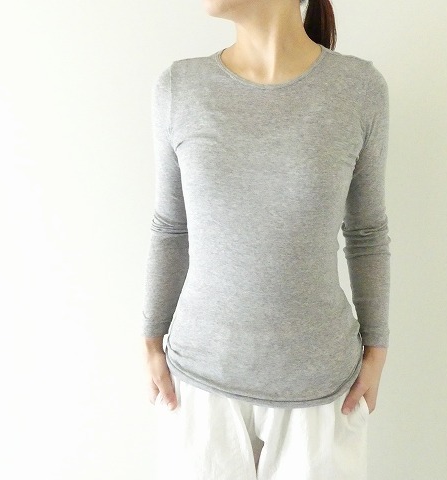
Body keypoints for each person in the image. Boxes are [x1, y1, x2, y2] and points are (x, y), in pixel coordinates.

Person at [141, 0, 391, 478]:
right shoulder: (180, 87)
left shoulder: (358, 89)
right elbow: (171, 226)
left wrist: (377, 350)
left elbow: (366, 232)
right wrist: (151, 341)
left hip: (322, 389)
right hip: (197, 385)